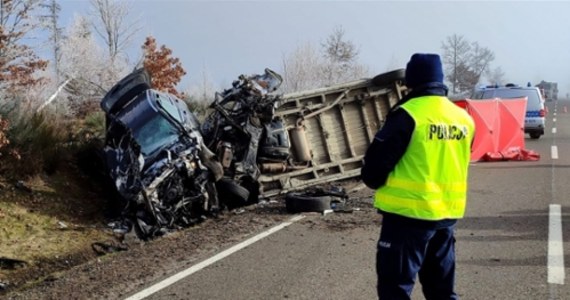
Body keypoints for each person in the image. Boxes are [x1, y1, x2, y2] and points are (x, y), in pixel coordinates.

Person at [361, 53, 475, 300]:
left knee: (396, 290)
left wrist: (374, 179)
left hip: (406, 218)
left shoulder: (408, 114)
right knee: (442, 291)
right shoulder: (463, 118)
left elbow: (374, 169)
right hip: (446, 217)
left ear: (411, 81)